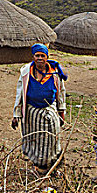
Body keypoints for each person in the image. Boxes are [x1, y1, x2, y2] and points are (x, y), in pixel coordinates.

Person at [11, 43, 67, 175]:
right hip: (32, 112)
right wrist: (16, 115)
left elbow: (61, 93)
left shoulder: (55, 73)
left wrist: (61, 112)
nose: (40, 58)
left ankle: (53, 163)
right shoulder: (26, 72)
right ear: (33, 57)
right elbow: (20, 94)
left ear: (47, 57)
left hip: (50, 109)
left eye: (43, 55)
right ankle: (39, 165)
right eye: (37, 55)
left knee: (52, 138)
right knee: (35, 139)